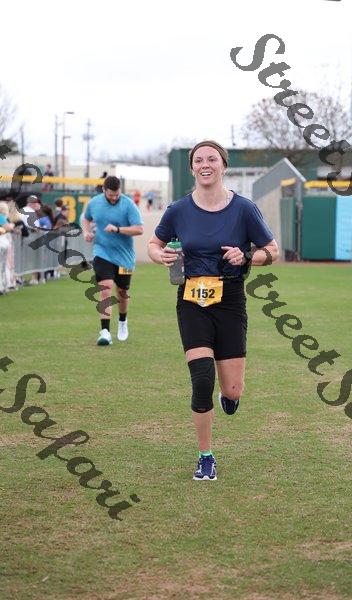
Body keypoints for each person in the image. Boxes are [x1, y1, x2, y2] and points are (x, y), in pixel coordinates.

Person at [148, 141, 279, 481]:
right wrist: (159, 255)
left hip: (230, 299)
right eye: (198, 160)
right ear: (192, 168)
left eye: (212, 159)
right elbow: (154, 243)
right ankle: (205, 456)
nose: (205, 164)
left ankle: (230, 396)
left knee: (232, 389)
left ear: (223, 166)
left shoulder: (244, 209)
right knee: (202, 378)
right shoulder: (178, 210)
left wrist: (247, 256)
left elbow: (272, 250)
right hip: (192, 299)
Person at [82, 175, 144, 345]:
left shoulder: (128, 204)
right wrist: (86, 232)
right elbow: (86, 218)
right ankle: (105, 332)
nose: (114, 198)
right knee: (105, 287)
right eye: (111, 195)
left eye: (117, 194)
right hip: (102, 252)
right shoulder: (94, 203)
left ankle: (123, 321)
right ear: (104, 190)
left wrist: (117, 229)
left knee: (122, 292)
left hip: (125, 257)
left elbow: (139, 229)